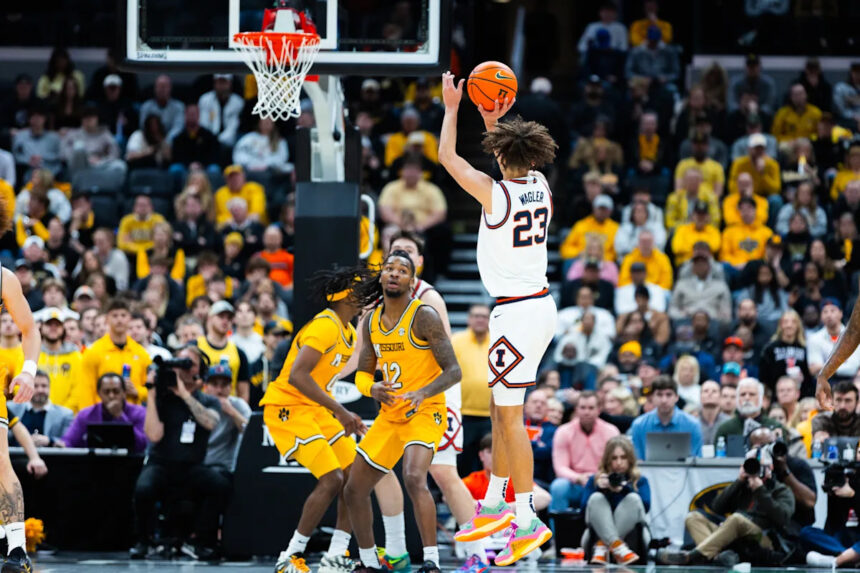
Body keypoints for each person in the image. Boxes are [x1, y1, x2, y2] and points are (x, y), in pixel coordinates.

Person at [440, 72, 559, 565]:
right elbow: (510, 152)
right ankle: (494, 503)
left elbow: (448, 158)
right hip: (537, 306)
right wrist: (494, 119)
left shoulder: (496, 194)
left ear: (502, 157)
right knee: (498, 406)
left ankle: (527, 517)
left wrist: (452, 108)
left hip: (516, 313)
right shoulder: (541, 185)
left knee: (510, 420)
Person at [344, 252, 461, 573]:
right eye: (389, 269)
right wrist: (373, 389)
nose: (394, 274)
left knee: (413, 475)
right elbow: (363, 374)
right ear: (381, 276)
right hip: (390, 415)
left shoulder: (424, 316)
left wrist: (423, 392)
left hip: (425, 411)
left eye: (402, 270)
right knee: (353, 488)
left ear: (412, 280)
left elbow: (454, 371)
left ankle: (432, 562)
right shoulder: (370, 321)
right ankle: (368, 562)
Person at [260, 267, 368, 573]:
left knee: (354, 479)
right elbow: (297, 376)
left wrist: (339, 412)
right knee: (332, 478)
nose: (363, 294)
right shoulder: (324, 326)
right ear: (346, 297)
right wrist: (341, 410)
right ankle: (289, 557)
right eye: (357, 289)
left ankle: (334, 557)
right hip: (287, 406)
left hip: (314, 409)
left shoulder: (348, 331)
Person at [130, 345, 227, 561]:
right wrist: (152, 393)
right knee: (143, 488)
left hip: (192, 466)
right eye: (179, 362)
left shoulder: (208, 400)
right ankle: (143, 541)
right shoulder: (162, 398)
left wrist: (184, 394)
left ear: (198, 371)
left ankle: (203, 542)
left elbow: (210, 422)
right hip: (161, 463)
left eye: (189, 364)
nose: (182, 369)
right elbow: (153, 435)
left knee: (219, 485)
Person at [0, 198, 42, 571]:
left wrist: (28, 370)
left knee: (0, 462)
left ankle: (15, 549)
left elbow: (30, 330)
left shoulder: (3, 278)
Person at [657, 451, 794, 566]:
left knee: (736, 519)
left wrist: (760, 491)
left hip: (763, 538)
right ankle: (717, 558)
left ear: (770, 468)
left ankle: (692, 557)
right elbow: (717, 507)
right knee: (693, 517)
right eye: (750, 465)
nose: (754, 470)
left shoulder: (781, 490)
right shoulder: (742, 487)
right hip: (733, 536)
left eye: (759, 466)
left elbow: (782, 518)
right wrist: (739, 481)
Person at [582, 435, 650, 565]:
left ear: (630, 459)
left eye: (623, 457)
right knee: (596, 498)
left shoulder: (639, 481)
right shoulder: (596, 480)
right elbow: (584, 511)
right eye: (614, 458)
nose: (619, 462)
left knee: (633, 498)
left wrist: (624, 489)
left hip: (627, 535)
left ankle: (604, 546)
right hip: (596, 533)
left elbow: (645, 507)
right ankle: (618, 547)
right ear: (607, 460)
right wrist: (599, 489)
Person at [76, 298, 151, 411]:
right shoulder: (94, 352)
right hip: (102, 418)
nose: (119, 320)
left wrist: (137, 391)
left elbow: (152, 391)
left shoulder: (141, 353)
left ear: (129, 319)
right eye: (115, 316)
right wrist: (88, 421)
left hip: (133, 417)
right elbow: (85, 390)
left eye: (123, 315)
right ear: (107, 319)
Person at [550, 391, 619, 513]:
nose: (587, 412)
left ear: (599, 409)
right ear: (576, 409)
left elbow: (616, 464)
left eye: (591, 408)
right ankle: (557, 530)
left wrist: (599, 478)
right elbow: (560, 468)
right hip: (574, 482)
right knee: (558, 486)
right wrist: (578, 478)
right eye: (582, 408)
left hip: (601, 480)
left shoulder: (611, 432)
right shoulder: (563, 431)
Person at [748, 427, 816, 528]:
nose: (765, 450)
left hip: (795, 526)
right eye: (760, 447)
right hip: (758, 523)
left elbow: (809, 502)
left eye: (770, 445)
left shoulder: (797, 465)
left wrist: (784, 469)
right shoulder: (750, 467)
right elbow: (718, 508)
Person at [452, 305, 492, 477]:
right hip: (463, 413)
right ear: (469, 319)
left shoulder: (498, 341)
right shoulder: (456, 341)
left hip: (491, 415)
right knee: (462, 460)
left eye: (484, 316)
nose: (480, 319)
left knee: (489, 462)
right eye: (476, 316)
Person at [61, 372, 146, 452]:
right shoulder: (85, 415)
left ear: (124, 393)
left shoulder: (139, 412)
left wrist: (120, 416)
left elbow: (142, 445)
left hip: (130, 463)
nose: (111, 396)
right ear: (99, 393)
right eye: (106, 392)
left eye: (116, 391)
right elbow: (69, 441)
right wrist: (61, 445)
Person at [629, 376, 703, 459]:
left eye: (669, 395)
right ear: (652, 397)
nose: (664, 400)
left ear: (677, 397)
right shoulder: (639, 425)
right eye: (659, 395)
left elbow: (696, 463)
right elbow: (638, 462)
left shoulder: (692, 425)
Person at [194, 301, 250, 403]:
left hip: (229, 408)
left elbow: (243, 393)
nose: (225, 321)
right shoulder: (195, 347)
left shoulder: (239, 353)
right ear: (210, 318)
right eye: (221, 316)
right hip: (201, 405)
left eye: (229, 318)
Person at [7, 370, 71, 448]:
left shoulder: (65, 414)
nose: (40, 390)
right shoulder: (11, 408)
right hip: (15, 458)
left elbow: (69, 442)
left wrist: (50, 441)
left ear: (50, 388)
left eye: (44, 386)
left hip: (50, 458)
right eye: (35, 386)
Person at [715, 377, 785, 444]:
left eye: (752, 394)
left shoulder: (775, 426)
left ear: (761, 398)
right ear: (737, 398)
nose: (747, 398)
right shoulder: (725, 428)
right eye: (743, 394)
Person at [37, 307, 81, 410]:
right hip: (35, 412)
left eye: (57, 324)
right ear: (41, 327)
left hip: (66, 417)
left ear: (63, 329)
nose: (53, 328)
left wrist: (61, 414)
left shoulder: (75, 356)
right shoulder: (30, 353)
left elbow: (79, 389)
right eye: (49, 324)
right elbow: (20, 384)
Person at [760, 310, 812, 396]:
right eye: (786, 322)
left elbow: (809, 376)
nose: (789, 325)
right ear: (781, 325)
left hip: (801, 394)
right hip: (776, 396)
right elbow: (764, 377)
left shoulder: (805, 348)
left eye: (793, 322)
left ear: (798, 325)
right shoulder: (770, 348)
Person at [198, 74, 243, 148]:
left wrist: (218, 141)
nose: (222, 86)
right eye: (219, 82)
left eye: (224, 82)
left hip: (230, 144)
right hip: (208, 142)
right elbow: (204, 124)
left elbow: (233, 128)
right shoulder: (205, 100)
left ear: (230, 83)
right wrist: (212, 140)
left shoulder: (238, 102)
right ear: (214, 83)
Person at [138, 75, 184, 140]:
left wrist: (166, 140)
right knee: (137, 135)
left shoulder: (179, 106)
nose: (162, 89)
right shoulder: (146, 106)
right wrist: (155, 139)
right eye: (159, 86)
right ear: (155, 88)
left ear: (170, 88)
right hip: (150, 140)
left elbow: (178, 127)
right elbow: (143, 126)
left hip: (172, 141)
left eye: (164, 86)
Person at [699, 380, 729, 445]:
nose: (710, 393)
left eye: (714, 391)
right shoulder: (692, 422)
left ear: (720, 397)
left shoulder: (728, 423)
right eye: (706, 391)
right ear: (700, 396)